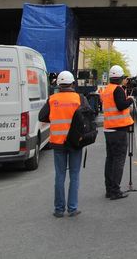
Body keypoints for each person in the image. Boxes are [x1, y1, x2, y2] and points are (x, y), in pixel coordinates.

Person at [38, 71, 90, 218]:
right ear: (73, 83)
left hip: (58, 142)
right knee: (74, 175)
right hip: (75, 142)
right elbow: (88, 117)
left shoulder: (52, 99)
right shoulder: (79, 98)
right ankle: (72, 208)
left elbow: (42, 116)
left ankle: (59, 209)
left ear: (58, 85)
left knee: (60, 175)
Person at [100, 65, 135, 200]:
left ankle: (109, 189)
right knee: (119, 160)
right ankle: (115, 190)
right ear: (120, 78)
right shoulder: (118, 89)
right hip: (118, 130)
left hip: (108, 128)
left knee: (110, 159)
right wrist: (130, 99)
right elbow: (121, 105)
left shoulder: (107, 89)